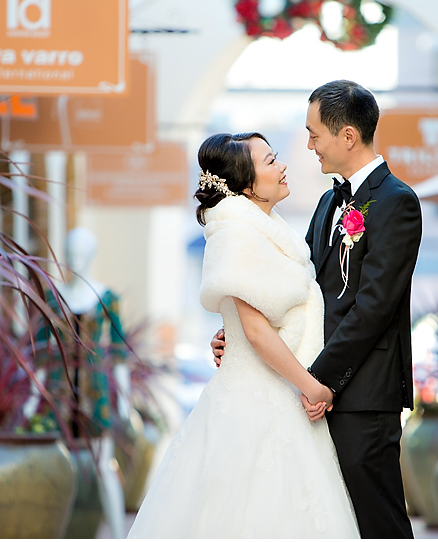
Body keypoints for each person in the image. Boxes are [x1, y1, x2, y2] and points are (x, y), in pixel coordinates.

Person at [212, 80, 422, 538]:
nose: (308, 146)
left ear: (347, 136)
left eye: (314, 134)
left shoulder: (397, 203)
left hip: (363, 396)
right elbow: (300, 292)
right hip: (316, 393)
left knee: (378, 522)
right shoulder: (328, 202)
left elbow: (374, 307)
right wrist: (243, 334)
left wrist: (317, 381)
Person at [127, 132, 360, 538]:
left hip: (279, 394)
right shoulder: (235, 231)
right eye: (271, 160)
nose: (283, 165)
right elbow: (254, 330)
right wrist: (313, 387)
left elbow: (258, 313)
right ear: (248, 184)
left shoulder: (267, 228)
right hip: (256, 399)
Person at [40, 227, 129, 539]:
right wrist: (29, 398)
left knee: (105, 465)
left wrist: (126, 402)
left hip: (96, 393)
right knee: (55, 467)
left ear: (91, 255)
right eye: (70, 254)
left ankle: (119, 535)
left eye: (80, 253)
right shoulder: (52, 298)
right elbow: (40, 351)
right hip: (57, 391)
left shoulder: (107, 298)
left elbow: (119, 354)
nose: (74, 260)